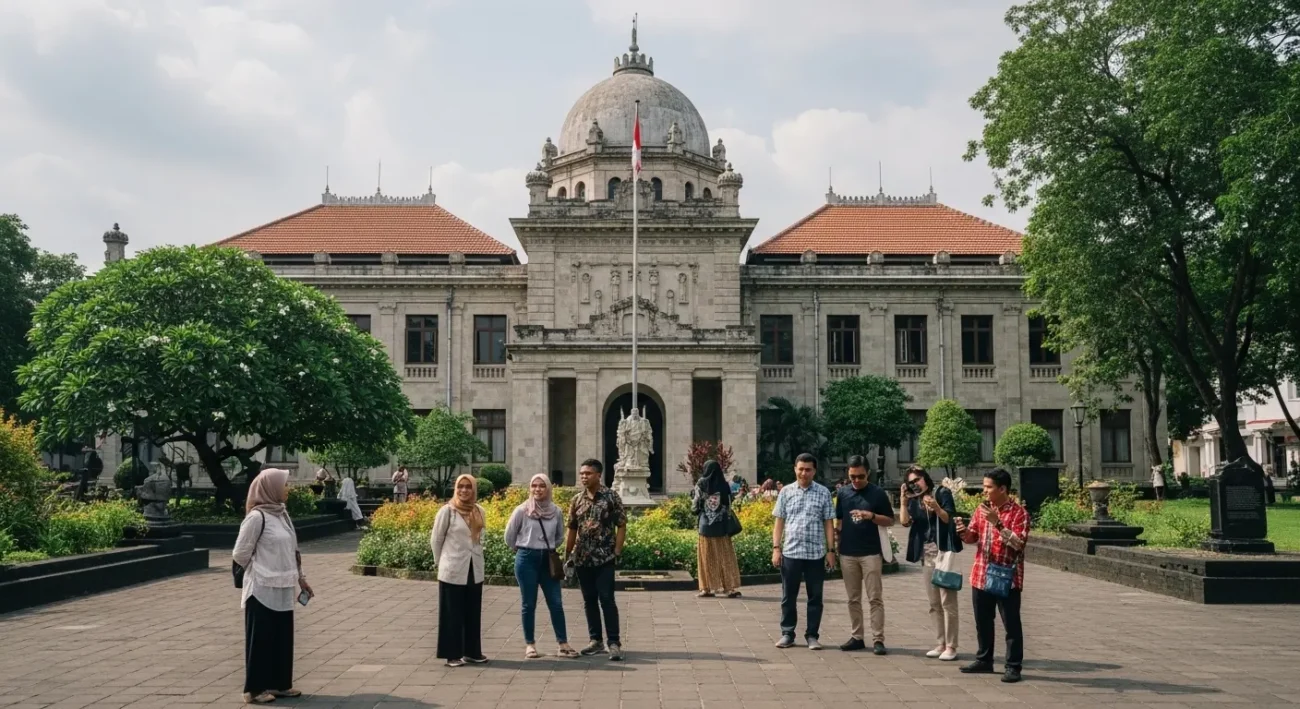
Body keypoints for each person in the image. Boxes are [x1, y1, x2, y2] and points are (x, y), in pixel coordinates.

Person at [232, 468, 311, 705]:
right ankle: (254, 690)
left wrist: (301, 578)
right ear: (270, 488)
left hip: (284, 585)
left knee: (281, 638)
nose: (287, 489)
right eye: (284, 484)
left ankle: (279, 684)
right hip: (262, 587)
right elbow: (240, 553)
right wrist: (259, 571)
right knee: (261, 639)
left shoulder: (282, 515)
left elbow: (293, 551)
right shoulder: (257, 517)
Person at [956, 467, 1029, 683]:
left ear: (1003, 488)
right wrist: (962, 531)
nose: (984, 491)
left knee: (1011, 623)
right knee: (983, 621)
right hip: (981, 573)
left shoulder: (1019, 513)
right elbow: (972, 537)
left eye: (989, 487)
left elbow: (1019, 544)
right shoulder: (981, 510)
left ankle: (1013, 666)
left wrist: (998, 523)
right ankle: (984, 659)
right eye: (984, 486)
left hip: (1007, 577)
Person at [505, 473, 578, 659]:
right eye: (534, 486)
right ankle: (530, 644)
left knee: (556, 602)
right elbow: (509, 536)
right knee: (528, 604)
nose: (537, 489)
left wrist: (546, 547)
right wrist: (523, 547)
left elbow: (560, 536)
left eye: (542, 486)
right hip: (526, 558)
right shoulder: (522, 510)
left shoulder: (556, 511)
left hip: (548, 560)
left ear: (548, 488)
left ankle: (563, 643)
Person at [564, 458, 627, 661]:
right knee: (589, 600)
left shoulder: (611, 497)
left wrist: (616, 550)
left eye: (588, 473)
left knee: (607, 600)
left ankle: (614, 642)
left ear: (598, 475)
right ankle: (595, 640)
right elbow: (572, 528)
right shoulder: (577, 500)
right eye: (582, 473)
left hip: (604, 558)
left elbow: (621, 524)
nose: (584, 476)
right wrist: (568, 555)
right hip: (583, 559)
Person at [772, 452, 836, 650]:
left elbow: (828, 523)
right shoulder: (786, 492)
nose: (804, 473)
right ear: (795, 469)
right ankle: (787, 633)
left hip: (815, 553)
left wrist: (831, 550)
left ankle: (812, 635)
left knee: (815, 597)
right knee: (788, 596)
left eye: (808, 469)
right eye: (800, 469)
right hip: (791, 552)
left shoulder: (823, 492)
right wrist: (776, 548)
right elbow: (779, 521)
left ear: (814, 471)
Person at [898, 466, 962, 661]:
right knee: (934, 602)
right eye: (911, 482)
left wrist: (936, 507)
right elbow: (904, 522)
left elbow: (948, 519)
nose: (915, 484)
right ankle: (940, 642)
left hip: (943, 553)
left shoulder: (941, 492)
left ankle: (951, 646)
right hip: (926, 555)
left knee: (947, 601)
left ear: (925, 478)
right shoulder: (914, 500)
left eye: (918, 479)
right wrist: (903, 501)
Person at [834, 455, 895, 654]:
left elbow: (890, 520)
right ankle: (857, 636)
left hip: (871, 553)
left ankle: (878, 639)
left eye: (860, 476)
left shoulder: (877, 494)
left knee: (874, 598)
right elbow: (839, 521)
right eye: (852, 477)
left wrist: (872, 516)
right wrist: (835, 545)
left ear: (868, 473)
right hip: (848, 553)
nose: (856, 481)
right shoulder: (843, 493)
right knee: (853, 598)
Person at [431, 474, 489, 667]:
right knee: (452, 613)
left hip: (474, 567)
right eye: (460, 487)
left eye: (468, 487)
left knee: (472, 611)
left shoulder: (479, 510)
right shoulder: (447, 511)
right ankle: (452, 654)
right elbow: (436, 540)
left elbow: (481, 537)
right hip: (452, 568)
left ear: (474, 489)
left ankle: (472, 651)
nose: (464, 490)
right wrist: (441, 563)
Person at [692, 459, 742, 598]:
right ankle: (729, 588)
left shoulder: (701, 483)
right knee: (725, 557)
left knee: (706, 558)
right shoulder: (724, 484)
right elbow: (729, 502)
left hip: (705, 527)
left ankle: (706, 588)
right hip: (722, 527)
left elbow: (695, 505)